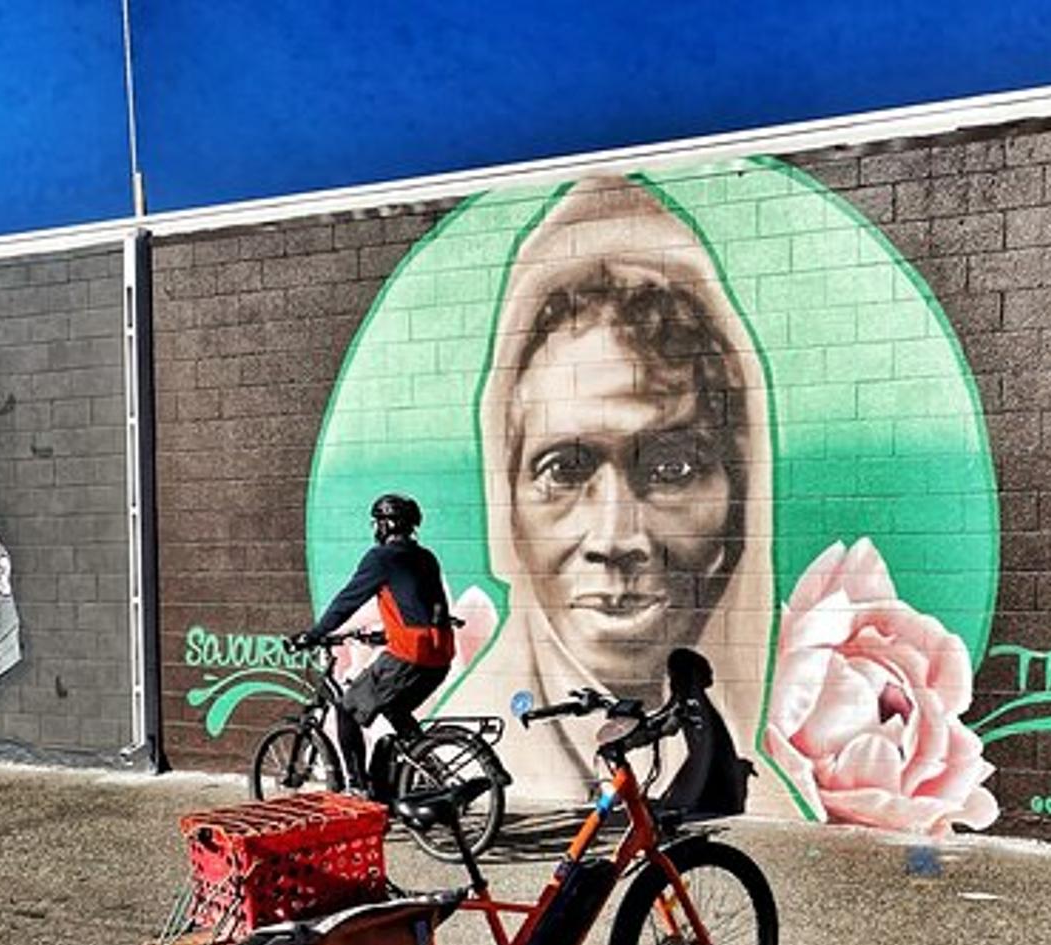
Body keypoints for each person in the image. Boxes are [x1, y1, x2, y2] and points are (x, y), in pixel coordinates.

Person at [445, 177, 774, 800]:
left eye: (674, 468)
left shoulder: (767, 796)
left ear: (741, 502)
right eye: (565, 470)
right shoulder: (469, 775)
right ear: (506, 505)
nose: (616, 538)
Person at [291, 493, 455, 782]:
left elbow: (347, 601)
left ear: (387, 525)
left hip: (409, 653)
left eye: (377, 522)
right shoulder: (426, 558)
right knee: (394, 706)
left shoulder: (381, 558)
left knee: (347, 709)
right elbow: (422, 609)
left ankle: (358, 786)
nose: (376, 529)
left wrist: (314, 634)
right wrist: (382, 635)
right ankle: (430, 769)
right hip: (440, 655)